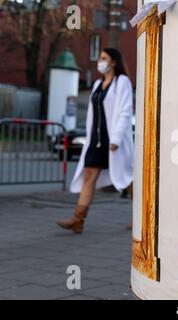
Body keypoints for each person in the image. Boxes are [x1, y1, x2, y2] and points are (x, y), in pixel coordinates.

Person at [56, 48, 134, 234]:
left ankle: (141, 217)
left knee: (129, 179)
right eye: (100, 58)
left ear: (114, 62)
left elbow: (125, 111)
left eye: (104, 58)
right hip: (96, 140)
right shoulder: (98, 84)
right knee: (89, 175)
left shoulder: (121, 82)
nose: (100, 61)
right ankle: (78, 219)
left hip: (113, 140)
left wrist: (116, 138)